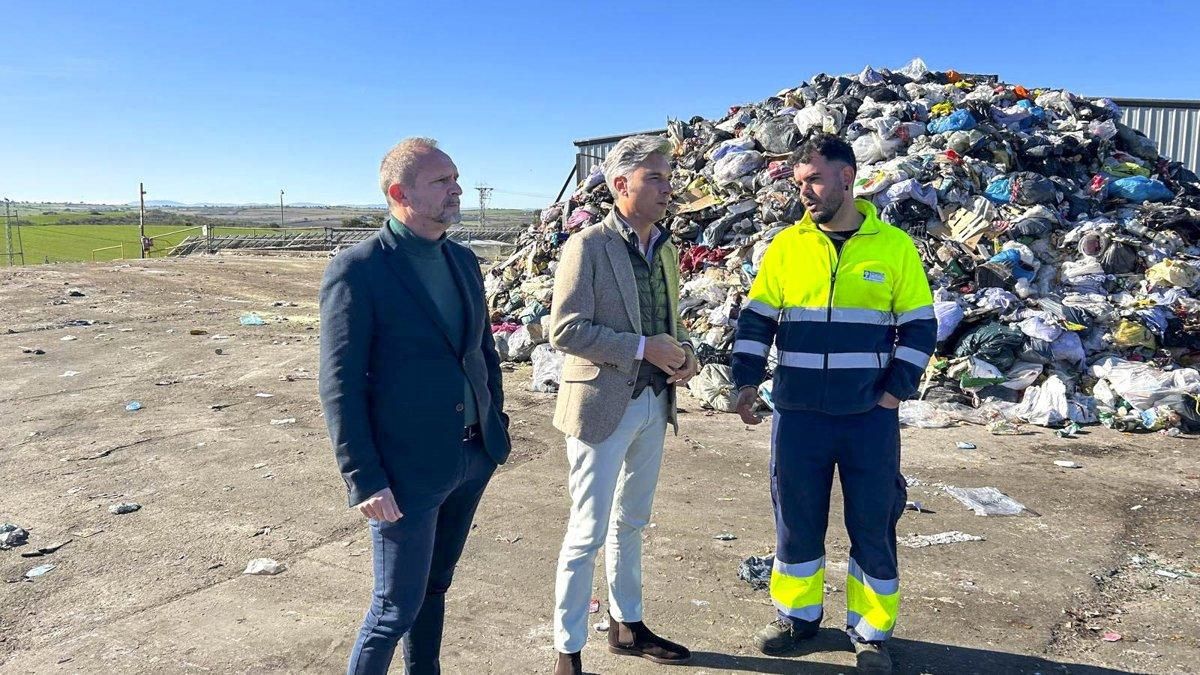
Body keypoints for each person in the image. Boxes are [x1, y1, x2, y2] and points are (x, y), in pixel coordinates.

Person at [731, 134, 936, 674]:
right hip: (798, 415)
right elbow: (757, 320)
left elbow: (920, 325)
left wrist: (895, 391)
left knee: (873, 521)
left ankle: (870, 633)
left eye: (815, 180)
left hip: (869, 417)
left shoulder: (893, 246)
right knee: (796, 519)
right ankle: (797, 618)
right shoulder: (787, 246)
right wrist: (745, 381)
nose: (805, 192)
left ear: (847, 177)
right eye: (799, 182)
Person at [319, 137, 511, 674]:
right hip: (406, 472)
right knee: (393, 609)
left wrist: (495, 421)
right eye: (442, 181)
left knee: (435, 588)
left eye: (455, 178)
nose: (457, 189)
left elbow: (483, 351)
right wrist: (363, 477)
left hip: (472, 457)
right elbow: (339, 384)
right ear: (400, 194)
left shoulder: (462, 260)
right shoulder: (359, 269)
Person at [548, 135, 699, 675]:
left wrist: (687, 356)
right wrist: (641, 348)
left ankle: (627, 626)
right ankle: (567, 651)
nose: (667, 188)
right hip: (601, 406)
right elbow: (565, 330)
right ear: (620, 185)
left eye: (668, 178)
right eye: (654, 178)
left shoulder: (666, 249)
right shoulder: (587, 246)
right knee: (587, 531)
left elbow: (670, 323)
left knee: (631, 521)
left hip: (655, 403)